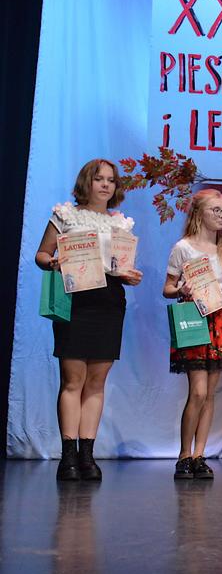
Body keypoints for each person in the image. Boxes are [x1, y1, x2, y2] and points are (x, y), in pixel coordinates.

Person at [35, 158, 144, 481]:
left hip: (109, 302)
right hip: (75, 300)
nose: (106, 185)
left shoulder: (121, 223)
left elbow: (120, 265)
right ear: (87, 182)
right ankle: (67, 456)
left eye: (111, 180)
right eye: (99, 179)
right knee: (73, 380)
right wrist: (54, 263)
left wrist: (129, 276)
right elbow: (41, 254)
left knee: (97, 382)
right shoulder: (66, 215)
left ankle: (87, 455)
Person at [162, 189, 222, 480]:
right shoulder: (184, 248)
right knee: (198, 391)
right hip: (194, 317)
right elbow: (167, 288)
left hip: (220, 320)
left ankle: (199, 455)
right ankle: (184, 454)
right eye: (215, 210)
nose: (221, 215)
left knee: (210, 393)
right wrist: (181, 289)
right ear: (199, 213)